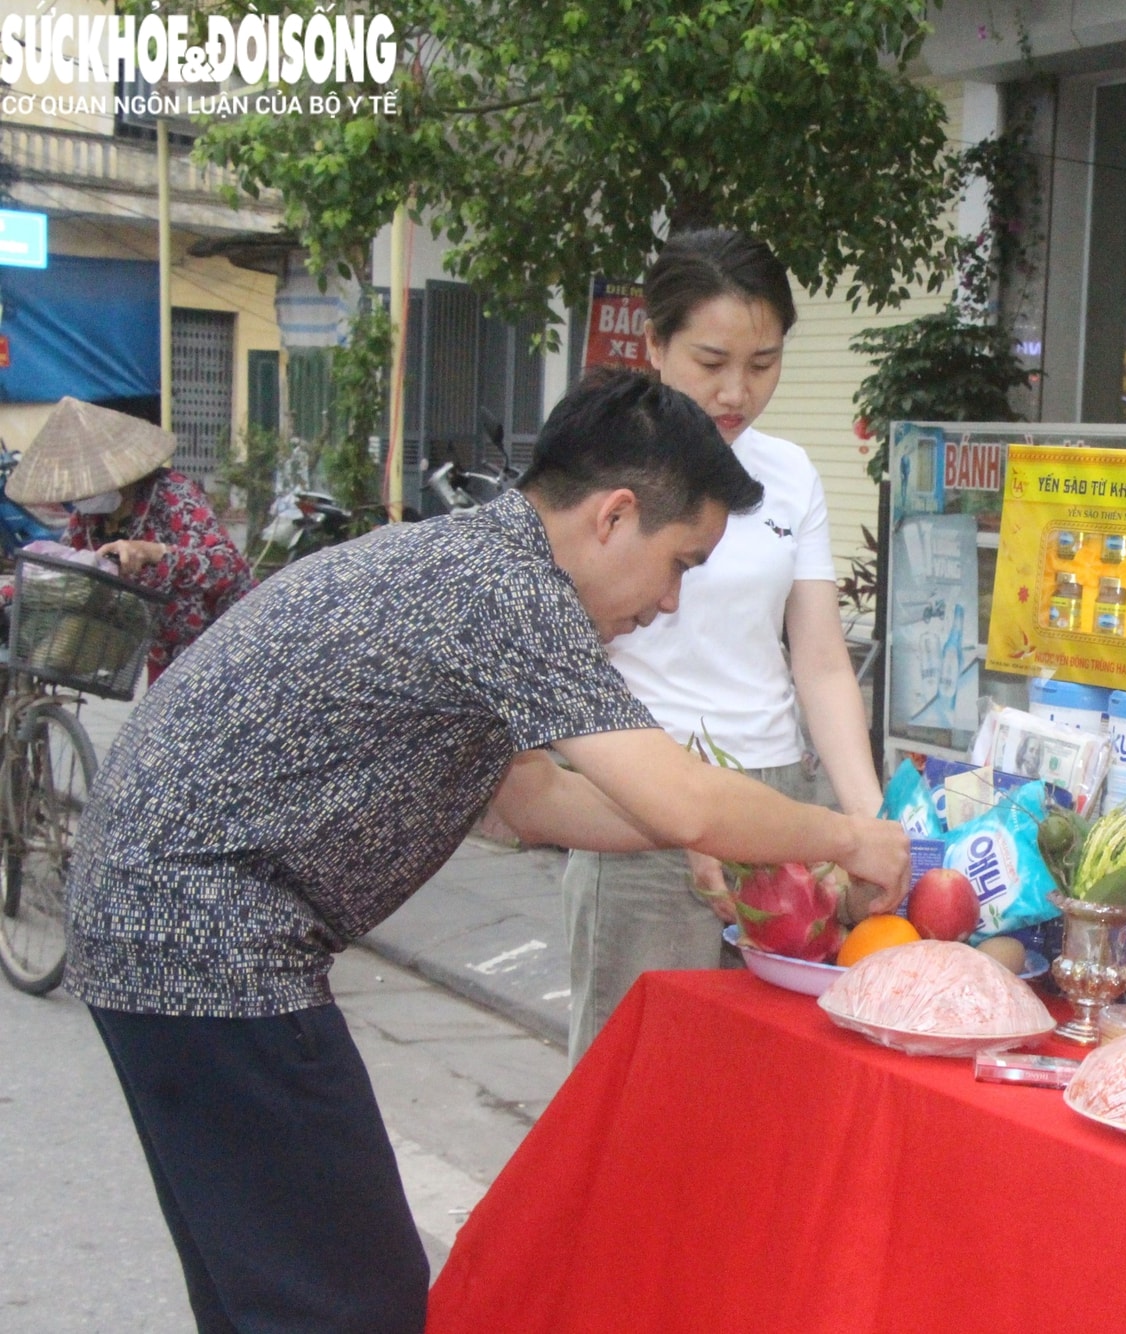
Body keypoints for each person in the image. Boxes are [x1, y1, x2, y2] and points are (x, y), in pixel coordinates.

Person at [64, 369, 910, 1334]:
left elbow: (530, 798)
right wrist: (846, 833)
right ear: (614, 516)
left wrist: (700, 839)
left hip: (151, 916)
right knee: (351, 1303)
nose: (672, 601)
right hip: (208, 936)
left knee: (269, 1290)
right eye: (681, 561)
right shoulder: (509, 587)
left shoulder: (469, 561)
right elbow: (680, 795)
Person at [562, 229, 886, 1062]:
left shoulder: (791, 475)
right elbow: (572, 668)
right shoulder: (593, 472)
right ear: (654, 344)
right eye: (711, 361)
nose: (738, 390)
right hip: (642, 805)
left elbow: (817, 659)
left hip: (780, 797)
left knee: (764, 1080)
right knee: (633, 1078)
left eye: (765, 361)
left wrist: (865, 818)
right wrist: (684, 821)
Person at [10, 397, 256, 681]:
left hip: (227, 643)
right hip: (166, 653)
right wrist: (14, 591)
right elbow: (64, 575)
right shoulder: (87, 521)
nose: (80, 498)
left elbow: (227, 565)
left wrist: (155, 553)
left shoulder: (172, 496)